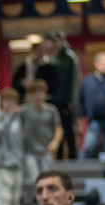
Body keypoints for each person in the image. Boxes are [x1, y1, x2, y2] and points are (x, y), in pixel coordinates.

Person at [45, 30, 81, 160]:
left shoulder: (69, 57)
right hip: (55, 100)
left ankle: (72, 157)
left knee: (68, 130)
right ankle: (59, 157)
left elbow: (74, 80)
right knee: (57, 128)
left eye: (56, 41)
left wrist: (71, 99)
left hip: (65, 100)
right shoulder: (54, 57)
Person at [79, 52, 105, 160]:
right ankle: (84, 168)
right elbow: (81, 99)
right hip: (93, 119)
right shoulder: (88, 80)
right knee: (88, 146)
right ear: (97, 64)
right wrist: (81, 116)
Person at [20, 79, 63, 183]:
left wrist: (55, 143)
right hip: (29, 151)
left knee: (47, 178)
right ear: (30, 95)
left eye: (41, 93)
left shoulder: (51, 110)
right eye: (35, 93)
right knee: (35, 179)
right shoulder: (24, 110)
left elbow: (59, 128)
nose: (38, 96)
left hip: (46, 150)